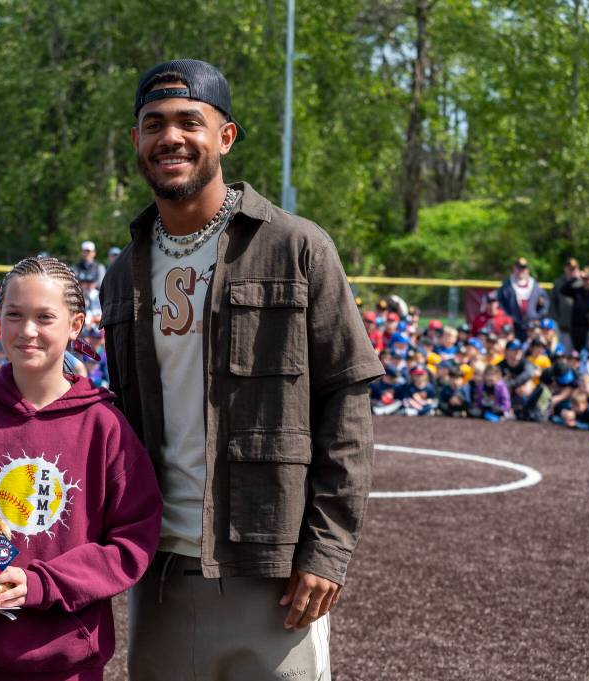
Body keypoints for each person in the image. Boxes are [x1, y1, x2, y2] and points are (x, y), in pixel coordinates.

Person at [100, 60, 382, 681]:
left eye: (189, 122)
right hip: (162, 570)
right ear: (135, 141)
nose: (169, 137)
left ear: (225, 137)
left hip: (272, 568)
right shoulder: (122, 274)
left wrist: (328, 550)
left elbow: (347, 400)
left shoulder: (297, 246)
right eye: (153, 124)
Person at [0, 255, 161, 681]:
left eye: (45, 317)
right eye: (14, 315)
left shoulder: (105, 426)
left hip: (68, 663)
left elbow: (132, 540)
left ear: (75, 326)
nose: (28, 330)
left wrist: (38, 584)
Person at [496, 257, 549, 340]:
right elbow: (500, 304)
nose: (521, 270)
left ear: (527, 270)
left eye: (523, 268)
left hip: (532, 327)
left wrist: (538, 317)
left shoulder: (535, 286)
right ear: (514, 268)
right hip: (513, 327)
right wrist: (508, 319)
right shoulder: (506, 287)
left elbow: (545, 304)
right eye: (518, 268)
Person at [550, 258, 580, 352]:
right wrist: (556, 320)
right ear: (565, 268)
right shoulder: (559, 283)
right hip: (563, 327)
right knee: (563, 353)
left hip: (579, 327)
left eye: (574, 269)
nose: (572, 271)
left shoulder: (582, 282)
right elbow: (553, 303)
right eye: (570, 268)